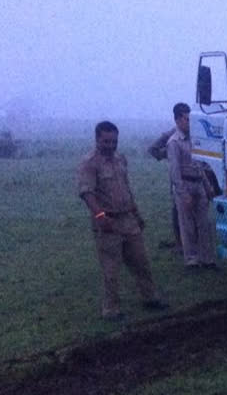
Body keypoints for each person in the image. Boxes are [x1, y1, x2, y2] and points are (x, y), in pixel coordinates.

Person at [78, 121, 169, 320]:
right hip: (108, 223)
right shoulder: (89, 163)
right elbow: (87, 193)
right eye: (106, 141)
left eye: (114, 141)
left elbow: (126, 189)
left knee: (141, 262)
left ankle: (150, 298)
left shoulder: (120, 159)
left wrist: (137, 215)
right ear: (97, 140)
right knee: (111, 269)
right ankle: (111, 309)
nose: (111, 145)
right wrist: (100, 217)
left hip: (128, 219)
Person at [167, 103, 217, 269]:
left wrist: (207, 186)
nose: (189, 122)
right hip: (185, 184)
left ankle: (207, 259)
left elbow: (199, 164)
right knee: (187, 225)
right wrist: (183, 194)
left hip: (198, 183)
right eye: (186, 119)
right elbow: (174, 172)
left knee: (204, 224)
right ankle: (192, 260)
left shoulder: (195, 140)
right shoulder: (174, 143)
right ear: (177, 120)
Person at [148, 127, 182, 253]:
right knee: (178, 210)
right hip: (179, 177)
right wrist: (171, 154)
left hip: (198, 175)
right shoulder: (175, 133)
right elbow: (153, 149)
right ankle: (181, 243)